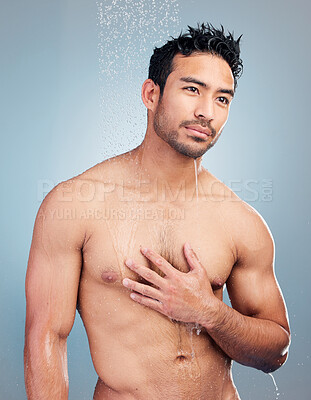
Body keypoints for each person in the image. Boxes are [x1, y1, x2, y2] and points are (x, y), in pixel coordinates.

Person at [24, 23, 291, 400]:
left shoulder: (240, 221)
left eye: (222, 99)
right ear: (152, 93)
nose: (206, 112)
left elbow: (275, 353)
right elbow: (46, 337)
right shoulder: (75, 204)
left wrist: (211, 313)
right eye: (192, 89)